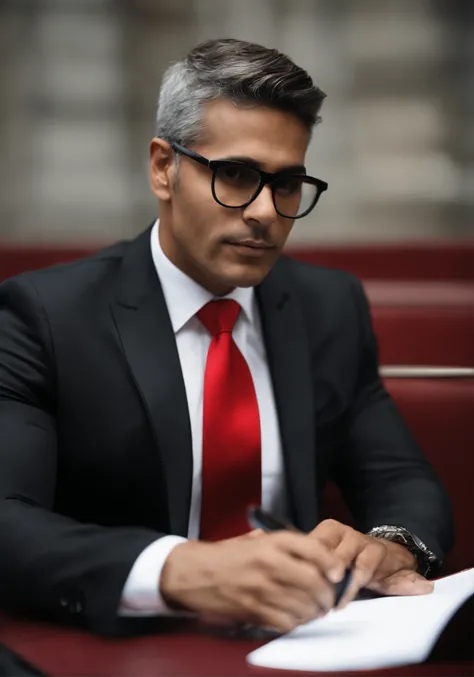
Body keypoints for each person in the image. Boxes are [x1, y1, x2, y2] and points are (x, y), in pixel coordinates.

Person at [0, 39, 453, 638]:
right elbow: (8, 519)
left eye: (288, 183)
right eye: (236, 175)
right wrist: (181, 570)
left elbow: (399, 477)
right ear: (164, 167)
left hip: (303, 642)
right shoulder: (45, 315)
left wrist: (390, 546)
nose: (266, 210)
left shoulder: (328, 307)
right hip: (122, 646)